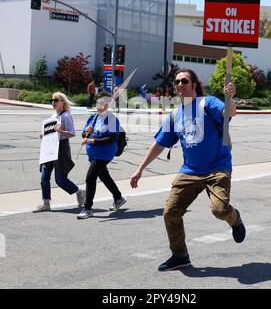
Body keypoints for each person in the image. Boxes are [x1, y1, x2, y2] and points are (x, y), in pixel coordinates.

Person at [130, 68, 246, 271]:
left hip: (217, 168)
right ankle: (180, 256)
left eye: (184, 81)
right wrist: (140, 169)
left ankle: (234, 219)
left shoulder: (207, 102)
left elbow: (230, 112)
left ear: (194, 85)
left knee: (219, 210)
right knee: (170, 212)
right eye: (177, 82)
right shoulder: (175, 114)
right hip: (190, 171)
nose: (180, 85)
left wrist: (230, 98)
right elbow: (159, 144)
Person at [33, 92, 85, 213]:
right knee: (44, 177)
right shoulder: (52, 117)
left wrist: (60, 131)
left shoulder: (66, 116)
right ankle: (46, 203)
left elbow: (72, 133)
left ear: (63, 102)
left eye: (56, 100)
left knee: (60, 180)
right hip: (49, 148)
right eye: (52, 100)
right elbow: (51, 134)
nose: (53, 102)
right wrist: (44, 135)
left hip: (61, 148)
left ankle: (79, 191)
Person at [77, 91, 126, 219]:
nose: (99, 105)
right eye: (98, 102)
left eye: (102, 102)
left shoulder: (111, 119)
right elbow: (84, 134)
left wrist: (90, 140)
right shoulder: (93, 117)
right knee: (104, 176)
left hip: (105, 153)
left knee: (90, 177)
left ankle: (87, 208)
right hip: (93, 153)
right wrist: (86, 134)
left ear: (108, 104)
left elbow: (111, 139)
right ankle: (118, 197)